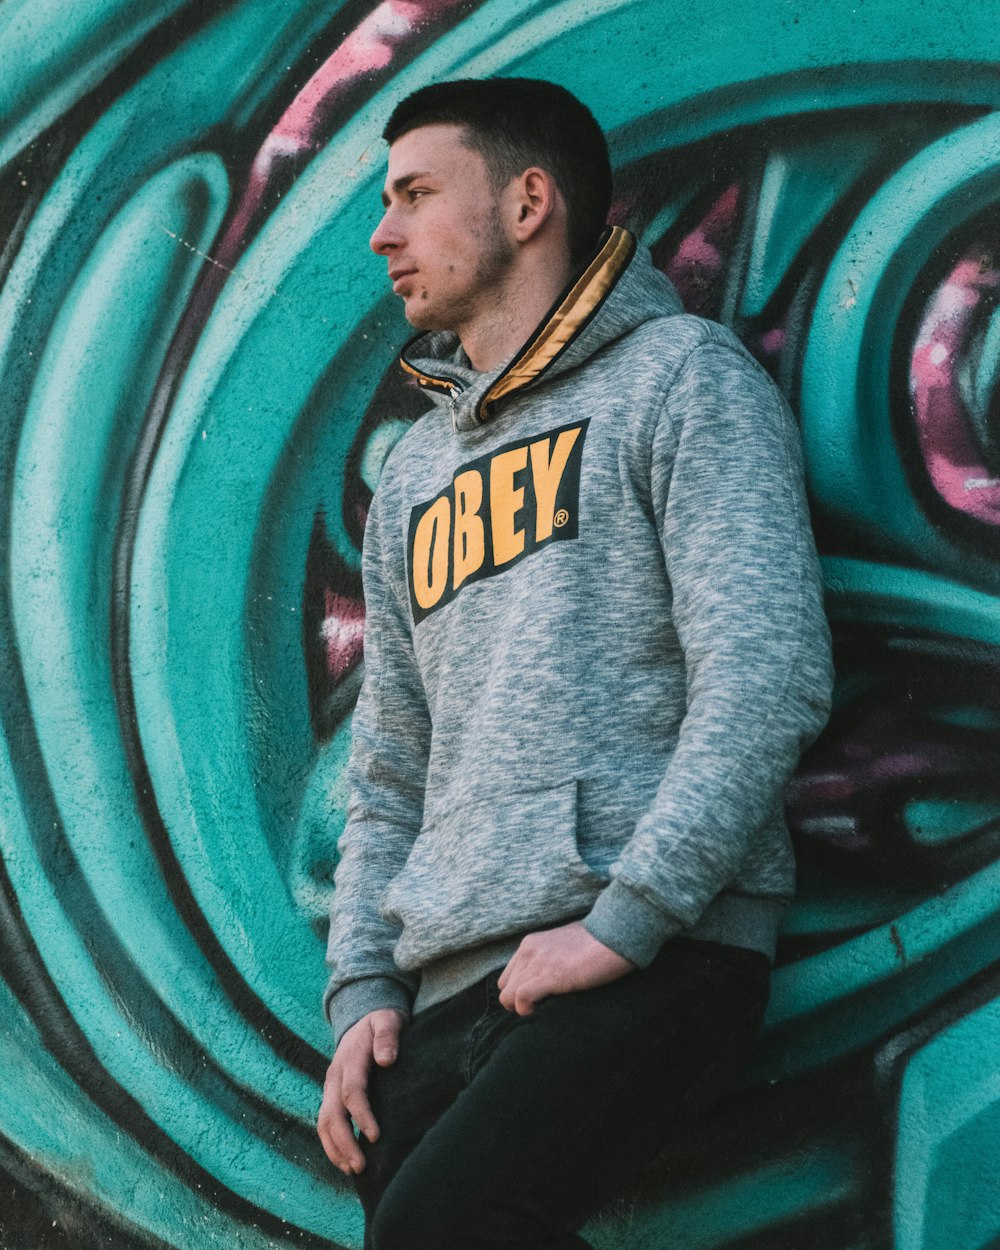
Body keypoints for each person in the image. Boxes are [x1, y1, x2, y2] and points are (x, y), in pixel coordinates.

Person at [316, 77, 833, 1249]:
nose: (380, 232)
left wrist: (627, 916)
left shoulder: (679, 380)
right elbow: (389, 768)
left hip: (647, 953)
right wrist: (361, 995)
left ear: (528, 200)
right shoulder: (412, 478)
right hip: (443, 989)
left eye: (414, 193)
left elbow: (769, 670)